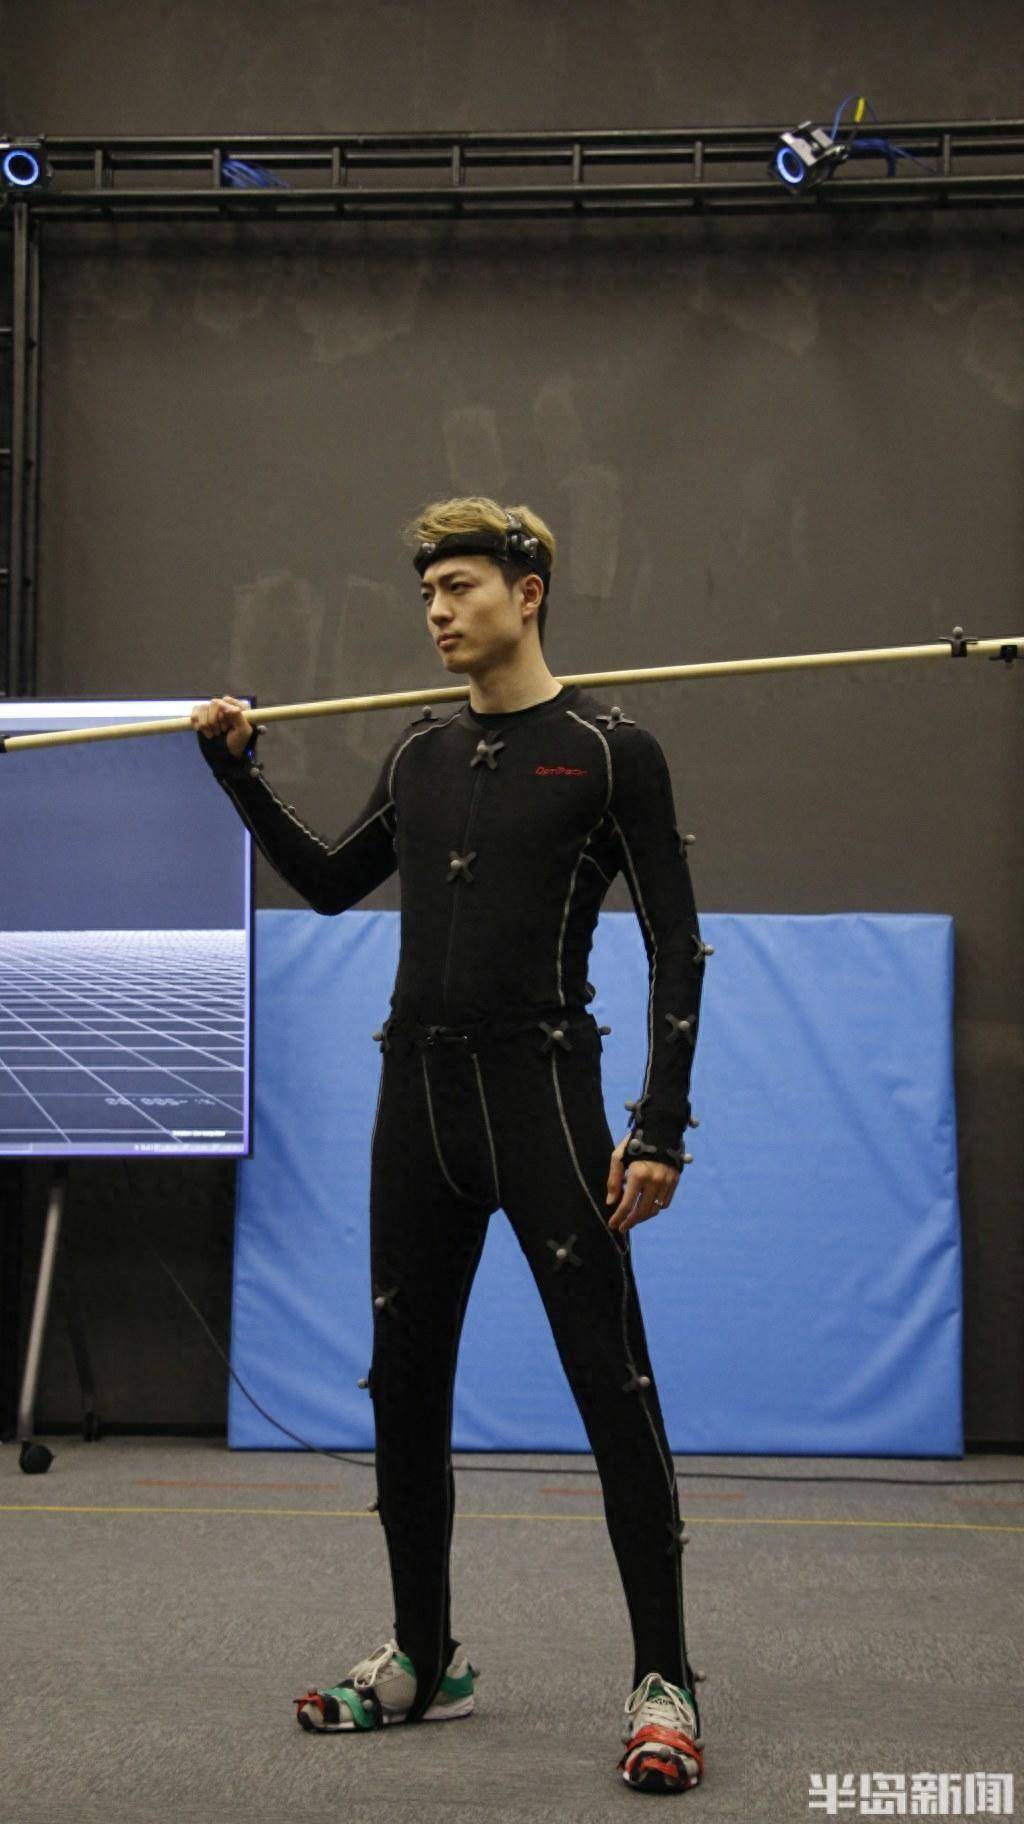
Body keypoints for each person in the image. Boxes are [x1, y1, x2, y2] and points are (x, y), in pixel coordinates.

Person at [191, 496, 710, 1796]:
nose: (436, 612)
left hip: (546, 1098)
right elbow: (328, 883)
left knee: (613, 1386)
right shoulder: (420, 751)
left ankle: (665, 1684)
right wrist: (238, 771)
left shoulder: (611, 752)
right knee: (406, 1384)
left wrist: (660, 1123)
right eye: (427, 592)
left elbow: (674, 945)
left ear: (527, 593)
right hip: (416, 1101)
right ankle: (423, 1657)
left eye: (461, 586)